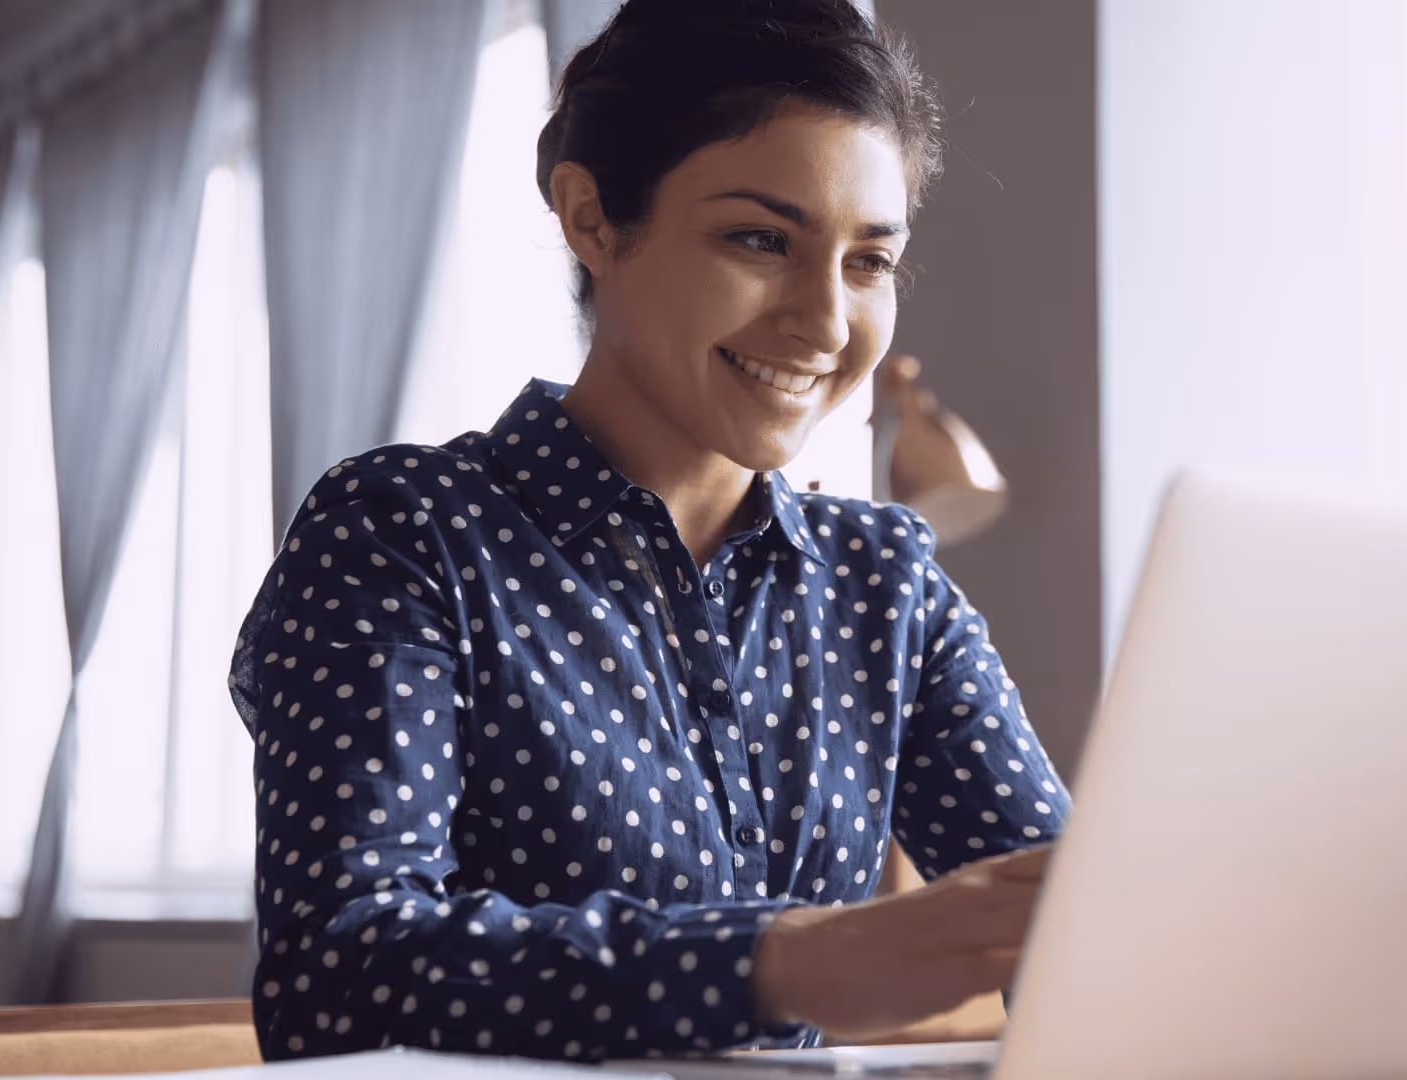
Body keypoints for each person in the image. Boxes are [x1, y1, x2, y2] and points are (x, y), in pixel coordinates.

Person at [229, 0, 1070, 1062]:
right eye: (759, 239)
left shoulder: (883, 583)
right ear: (591, 219)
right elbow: (336, 977)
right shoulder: (403, 536)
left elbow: (1072, 922)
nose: (824, 321)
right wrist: (784, 961)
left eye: (867, 262)